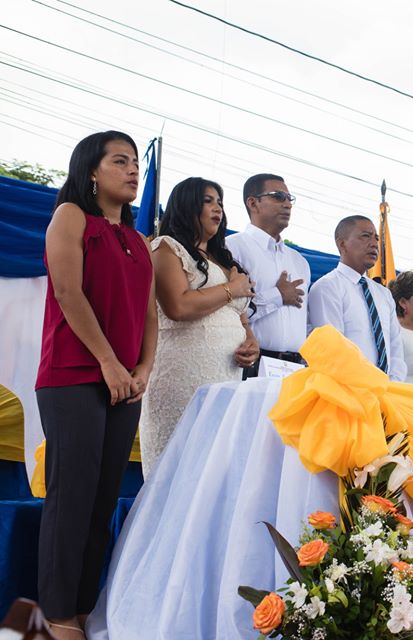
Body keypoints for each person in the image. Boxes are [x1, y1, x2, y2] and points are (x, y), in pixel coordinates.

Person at [34, 131, 157, 640]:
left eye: (135, 164)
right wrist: (108, 361)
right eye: (119, 161)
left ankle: (83, 609)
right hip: (73, 376)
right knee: (72, 497)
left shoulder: (138, 239)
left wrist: (144, 368)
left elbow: (149, 313)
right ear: (91, 170)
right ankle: (54, 615)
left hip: (125, 383)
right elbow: (68, 292)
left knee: (103, 499)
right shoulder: (71, 217)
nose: (132, 171)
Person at [140, 177, 258, 478]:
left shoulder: (222, 259)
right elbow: (178, 306)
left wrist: (250, 341)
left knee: (213, 471)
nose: (217, 208)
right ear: (186, 205)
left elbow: (239, 316)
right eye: (208, 201)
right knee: (180, 468)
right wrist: (233, 288)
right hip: (183, 375)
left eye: (220, 202)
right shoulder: (166, 248)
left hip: (226, 376)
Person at [225, 174, 310, 375]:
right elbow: (226, 314)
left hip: (296, 368)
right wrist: (278, 295)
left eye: (290, 199)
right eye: (278, 196)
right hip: (249, 363)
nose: (287, 204)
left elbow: (306, 322)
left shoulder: (299, 261)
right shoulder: (232, 248)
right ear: (253, 203)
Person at [307, 216, 406, 381]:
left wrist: (392, 384)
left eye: (376, 238)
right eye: (365, 236)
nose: (374, 244)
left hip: (385, 390)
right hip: (347, 386)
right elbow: (332, 349)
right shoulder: (327, 287)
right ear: (342, 244)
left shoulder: (384, 294)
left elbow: (395, 348)